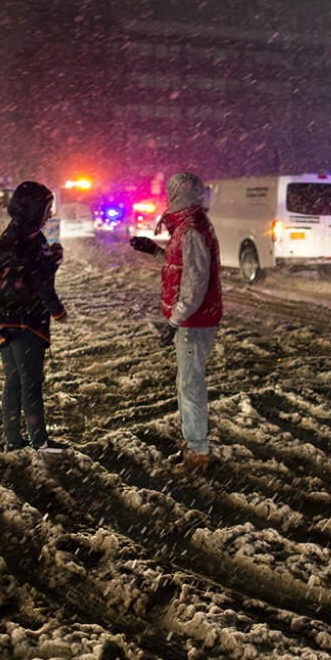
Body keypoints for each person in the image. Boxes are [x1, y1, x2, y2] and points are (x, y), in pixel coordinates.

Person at [130, 171, 222, 473]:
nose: (168, 198)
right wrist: (156, 251)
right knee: (187, 382)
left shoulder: (191, 229)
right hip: (191, 319)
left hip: (194, 322)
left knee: (190, 384)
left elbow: (194, 284)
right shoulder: (186, 228)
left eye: (171, 193)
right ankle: (194, 445)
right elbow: (181, 266)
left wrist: (176, 320)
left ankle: (197, 452)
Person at [0, 181, 69, 453]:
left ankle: (12, 440)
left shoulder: (11, 235)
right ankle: (40, 441)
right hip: (26, 322)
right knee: (31, 383)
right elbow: (40, 281)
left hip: (3, 321)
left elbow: (27, 275)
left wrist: (50, 262)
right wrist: (57, 310)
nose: (49, 213)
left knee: (13, 380)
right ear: (34, 208)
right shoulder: (32, 239)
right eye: (47, 208)